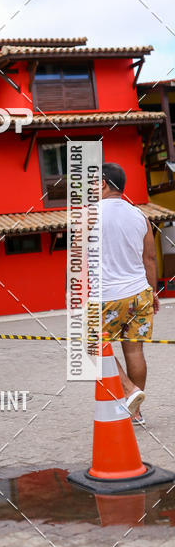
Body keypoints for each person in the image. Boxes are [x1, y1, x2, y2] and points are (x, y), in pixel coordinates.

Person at [100, 162, 159, 425]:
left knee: (90, 346)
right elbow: (150, 259)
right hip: (140, 293)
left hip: (108, 294)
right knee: (134, 352)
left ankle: (128, 389)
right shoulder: (140, 216)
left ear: (102, 183)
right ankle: (135, 413)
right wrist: (153, 293)